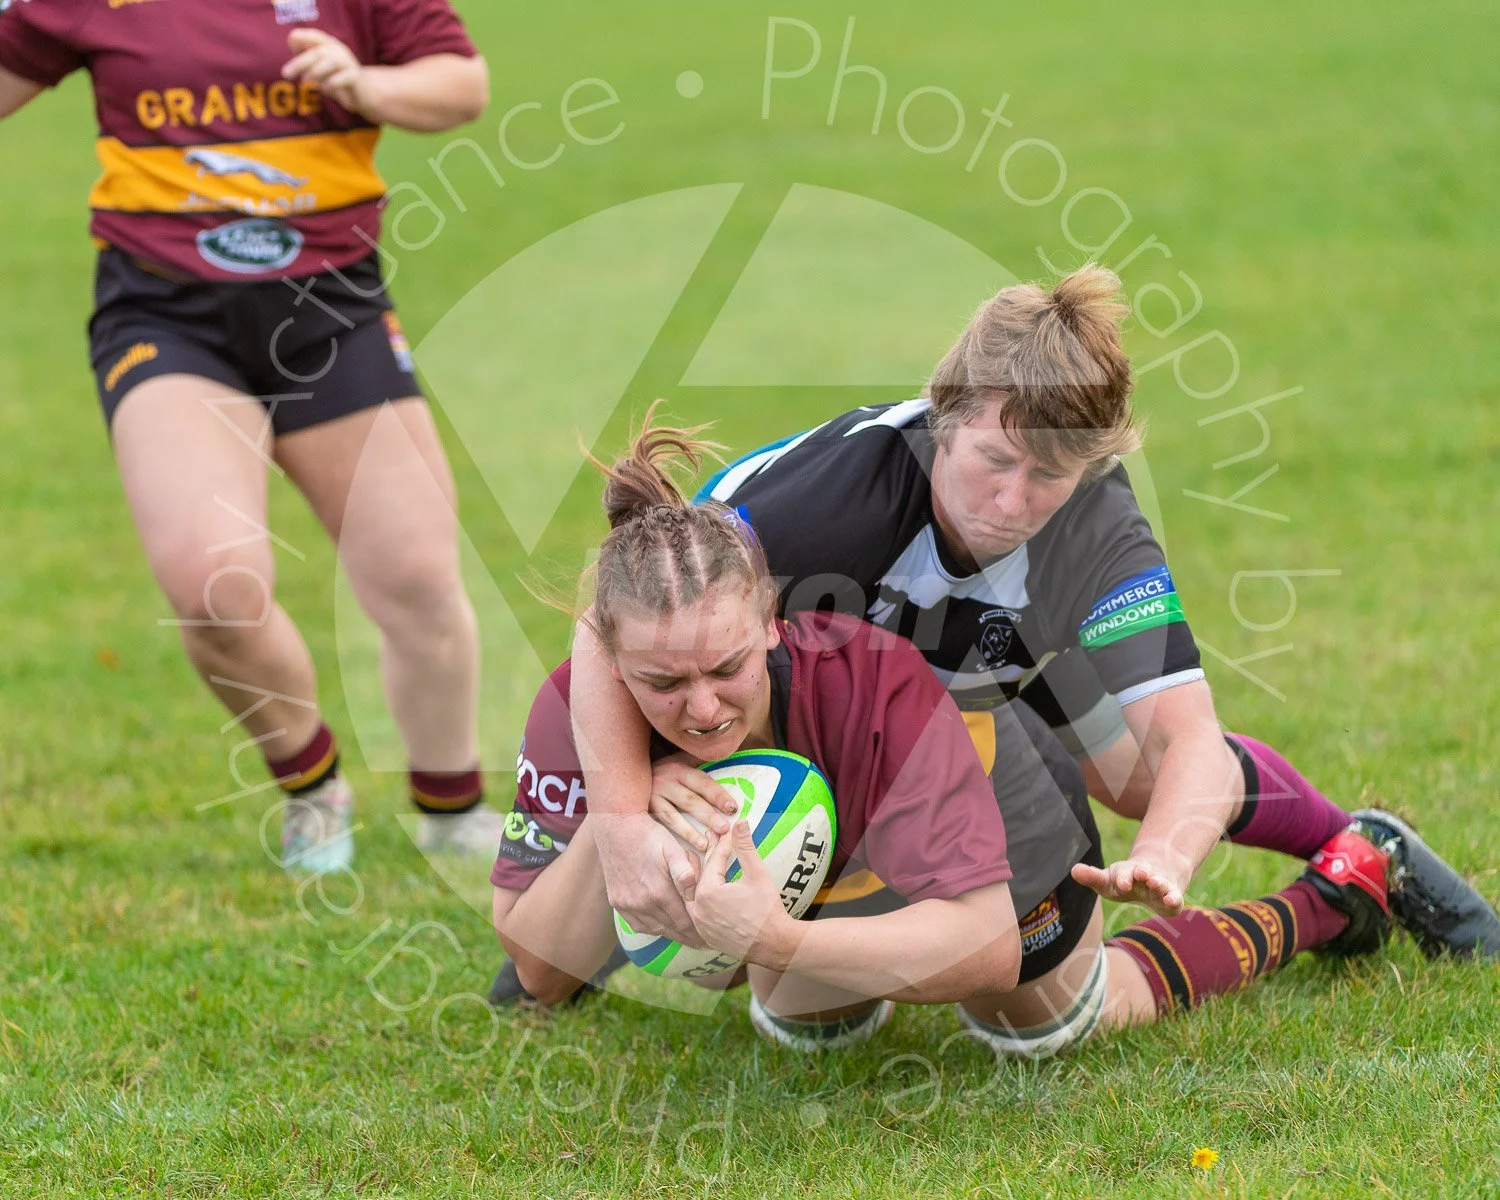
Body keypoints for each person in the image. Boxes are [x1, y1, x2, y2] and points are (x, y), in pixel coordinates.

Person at [570, 265, 1500, 962]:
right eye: (994, 461)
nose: (1013, 502)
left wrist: (1164, 853)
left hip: (1002, 658)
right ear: (945, 414)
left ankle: (1362, 844)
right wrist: (620, 821)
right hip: (826, 679)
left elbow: (1190, 738)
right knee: (720, 773)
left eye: (1050, 474)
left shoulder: (1096, 527)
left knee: (1143, 781)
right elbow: (608, 617)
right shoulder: (831, 504)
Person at [490, 413, 1424, 1057]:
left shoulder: (873, 683)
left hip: (978, 750)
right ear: (609, 662)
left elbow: (985, 947)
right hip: (873, 769)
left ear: (773, 620)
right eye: (661, 683)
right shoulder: (586, 709)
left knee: (1059, 1014)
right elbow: (536, 967)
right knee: (810, 1025)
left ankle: (1335, 894)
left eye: (723, 670)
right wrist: (620, 818)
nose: (698, 709)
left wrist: (774, 937)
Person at [0, 0, 504, 869]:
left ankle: (451, 808)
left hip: (331, 310)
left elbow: (463, 86)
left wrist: (367, 86)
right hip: (166, 315)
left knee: (416, 577)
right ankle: (313, 786)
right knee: (211, 587)